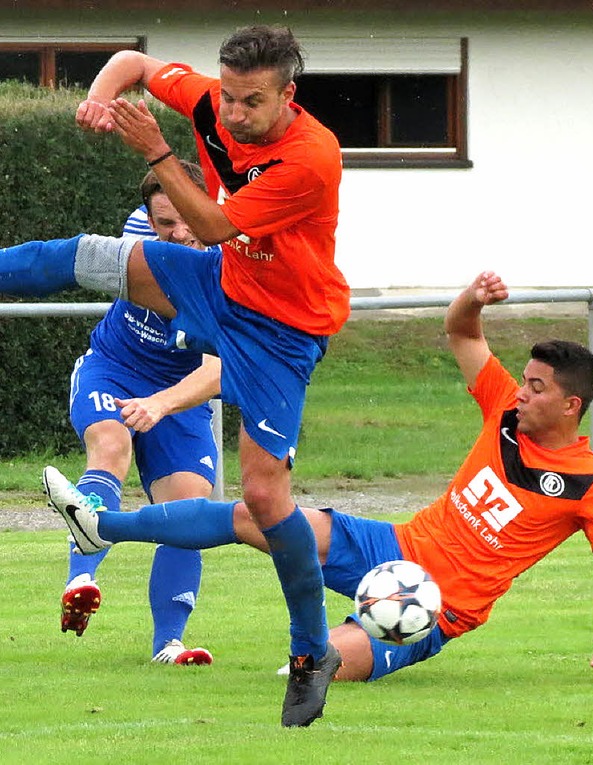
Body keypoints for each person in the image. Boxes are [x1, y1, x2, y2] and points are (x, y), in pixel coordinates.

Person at [1, 25, 350, 727]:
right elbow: (130, 61)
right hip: (221, 285)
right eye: (227, 96)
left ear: (289, 96)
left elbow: (217, 224)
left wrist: (155, 153)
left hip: (284, 330)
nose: (234, 114)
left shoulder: (313, 156)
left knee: (263, 500)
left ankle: (313, 650)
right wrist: (98, 102)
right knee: (88, 256)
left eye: (252, 103)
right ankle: (105, 535)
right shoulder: (209, 102)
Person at [44, 271, 593, 687]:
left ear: (570, 405)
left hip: (437, 606)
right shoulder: (504, 408)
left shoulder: (591, 485)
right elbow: (462, 333)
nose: (523, 393)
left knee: (313, 665)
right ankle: (104, 527)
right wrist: (473, 298)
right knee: (258, 515)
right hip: (396, 545)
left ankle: (330, 654)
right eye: (524, 381)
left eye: (538, 388)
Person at [61, 160, 222, 667]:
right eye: (163, 223)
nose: (176, 234)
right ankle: (80, 580)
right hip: (113, 369)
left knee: (189, 510)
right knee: (112, 444)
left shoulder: (232, 256)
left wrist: (163, 402)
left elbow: (220, 368)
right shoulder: (140, 234)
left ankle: (168, 644)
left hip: (180, 392)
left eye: (186, 220)